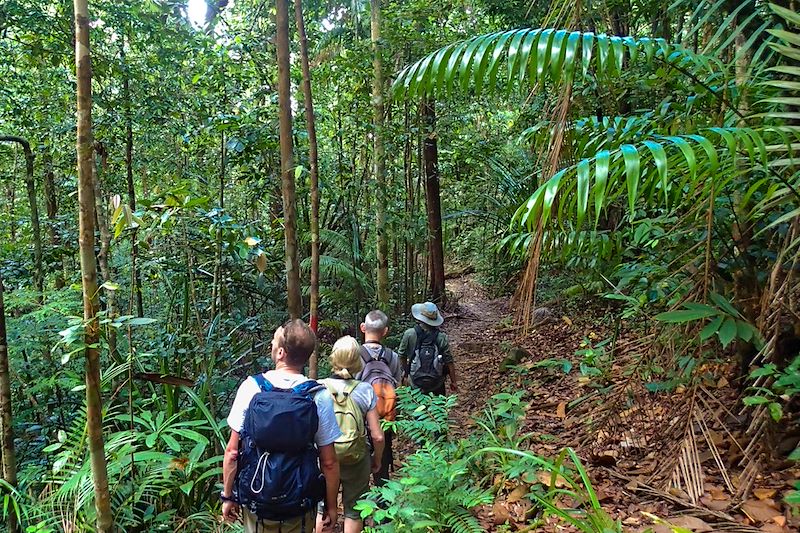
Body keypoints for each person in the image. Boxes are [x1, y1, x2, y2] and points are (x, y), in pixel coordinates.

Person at [222, 319, 341, 533]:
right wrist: (331, 506)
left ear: (281, 353)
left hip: (257, 497)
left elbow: (232, 452)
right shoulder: (318, 395)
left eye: (274, 342)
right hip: (299, 499)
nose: (271, 344)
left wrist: (228, 496)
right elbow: (329, 462)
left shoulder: (252, 388)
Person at [317, 336, 384, 533]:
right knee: (354, 510)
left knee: (322, 508)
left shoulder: (318, 387)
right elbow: (378, 436)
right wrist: (376, 459)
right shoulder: (365, 390)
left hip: (324, 456)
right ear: (358, 362)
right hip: (356, 456)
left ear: (333, 360)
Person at [356, 310, 402, 485]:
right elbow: (397, 387)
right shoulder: (393, 357)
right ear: (385, 331)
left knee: (359, 461)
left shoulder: (354, 356)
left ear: (363, 328)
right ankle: (383, 500)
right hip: (385, 417)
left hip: (360, 418)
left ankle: (361, 500)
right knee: (382, 460)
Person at [398, 301, 459, 395]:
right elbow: (448, 361)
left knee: (416, 408)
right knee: (437, 407)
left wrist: (406, 373)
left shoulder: (409, 334)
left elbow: (401, 355)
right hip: (437, 382)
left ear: (420, 318)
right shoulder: (441, 337)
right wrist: (453, 381)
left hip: (414, 381)